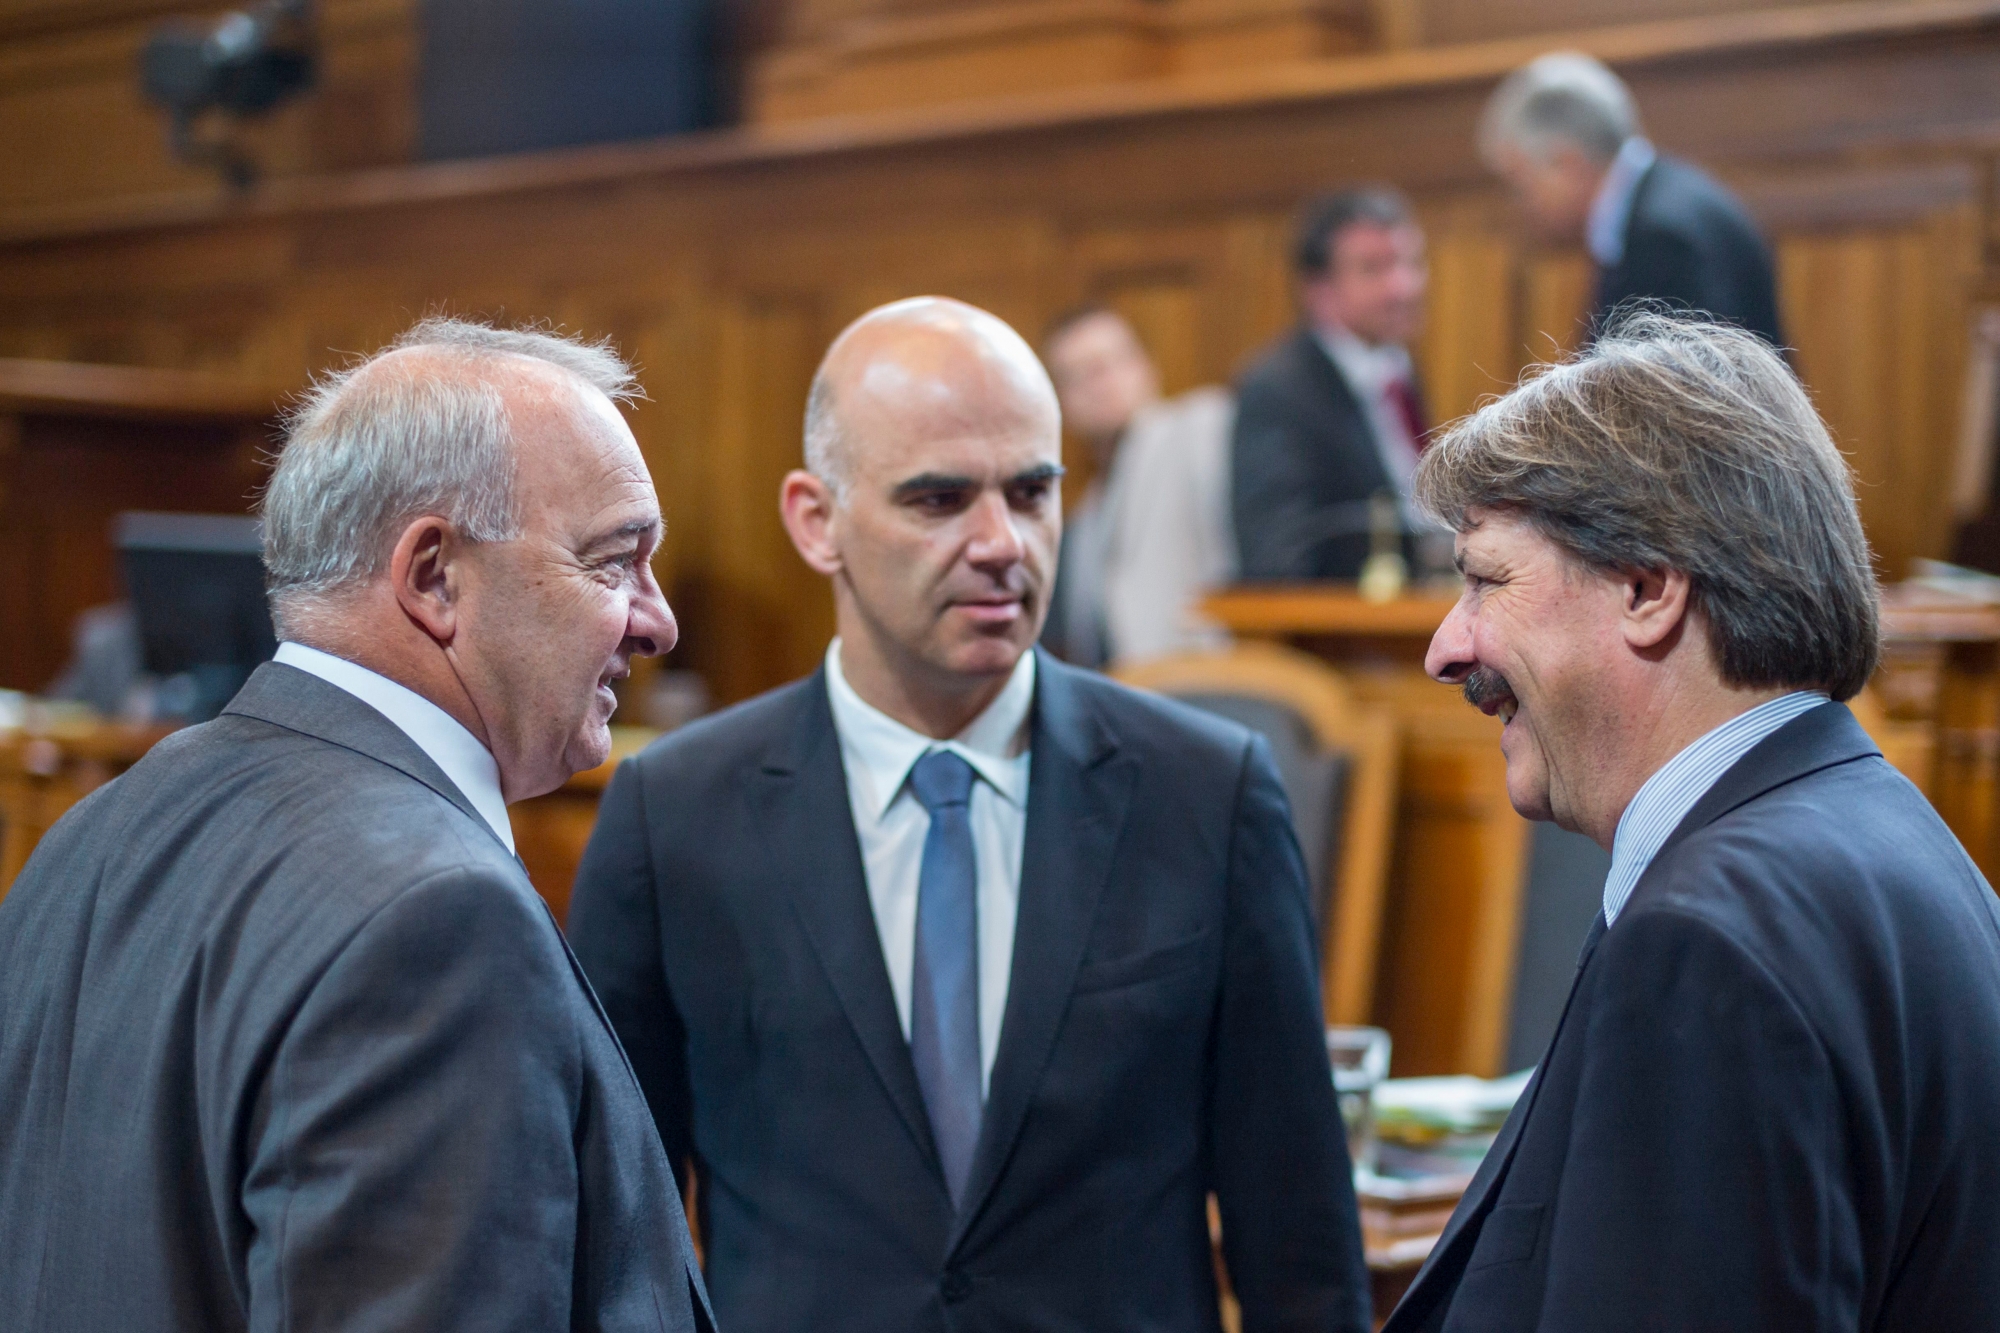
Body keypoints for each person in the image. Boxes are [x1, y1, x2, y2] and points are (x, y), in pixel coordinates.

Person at [568, 296, 1369, 1333]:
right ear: (816, 521)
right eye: (939, 499)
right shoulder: (670, 814)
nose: (1001, 543)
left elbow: (1295, 1232)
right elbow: (611, 1231)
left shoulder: (1205, 794)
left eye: (1031, 492)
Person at [0, 318, 714, 1332]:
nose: (655, 620)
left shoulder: (93, 830)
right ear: (431, 576)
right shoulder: (439, 920)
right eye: (611, 562)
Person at [1384, 310, 2000, 1332]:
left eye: (1484, 577)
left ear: (1645, 587)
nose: (1447, 648)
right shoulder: (1888, 832)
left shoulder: (1701, 943)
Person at [1481, 51, 1783, 347]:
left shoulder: (1663, 238)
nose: (1521, 206)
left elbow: (1679, 392)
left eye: (1520, 185)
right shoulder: (1664, 203)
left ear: (1567, 164)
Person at [1232, 187, 1436, 581]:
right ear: (1318, 291)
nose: (1404, 286)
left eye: (1410, 262)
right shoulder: (1279, 389)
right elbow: (1277, 558)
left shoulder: (1397, 368)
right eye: (1374, 269)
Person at [1039, 304, 1235, 667]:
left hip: (1204, 680)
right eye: (1076, 376)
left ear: (1146, 367)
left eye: (1107, 365)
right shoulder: (1086, 513)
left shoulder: (1196, 429)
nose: (1098, 386)